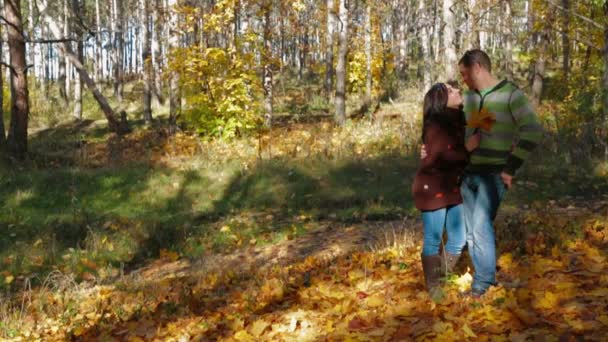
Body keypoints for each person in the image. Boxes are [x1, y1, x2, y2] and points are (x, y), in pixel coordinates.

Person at [456, 49, 543, 297]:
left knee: (481, 225)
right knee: (471, 230)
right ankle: (483, 282)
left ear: (478, 68)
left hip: (493, 176)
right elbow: (465, 133)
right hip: (468, 175)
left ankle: (482, 285)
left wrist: (510, 168)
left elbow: (532, 131)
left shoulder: (510, 94)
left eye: (465, 73)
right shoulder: (469, 98)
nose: (463, 79)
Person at [413, 82, 481, 294]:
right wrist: (469, 148)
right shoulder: (436, 124)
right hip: (432, 188)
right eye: (451, 91)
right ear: (441, 99)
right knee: (433, 240)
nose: (457, 90)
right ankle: (435, 290)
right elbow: (444, 158)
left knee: (459, 238)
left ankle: (441, 279)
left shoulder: (455, 119)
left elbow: (485, 117)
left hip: (451, 187)